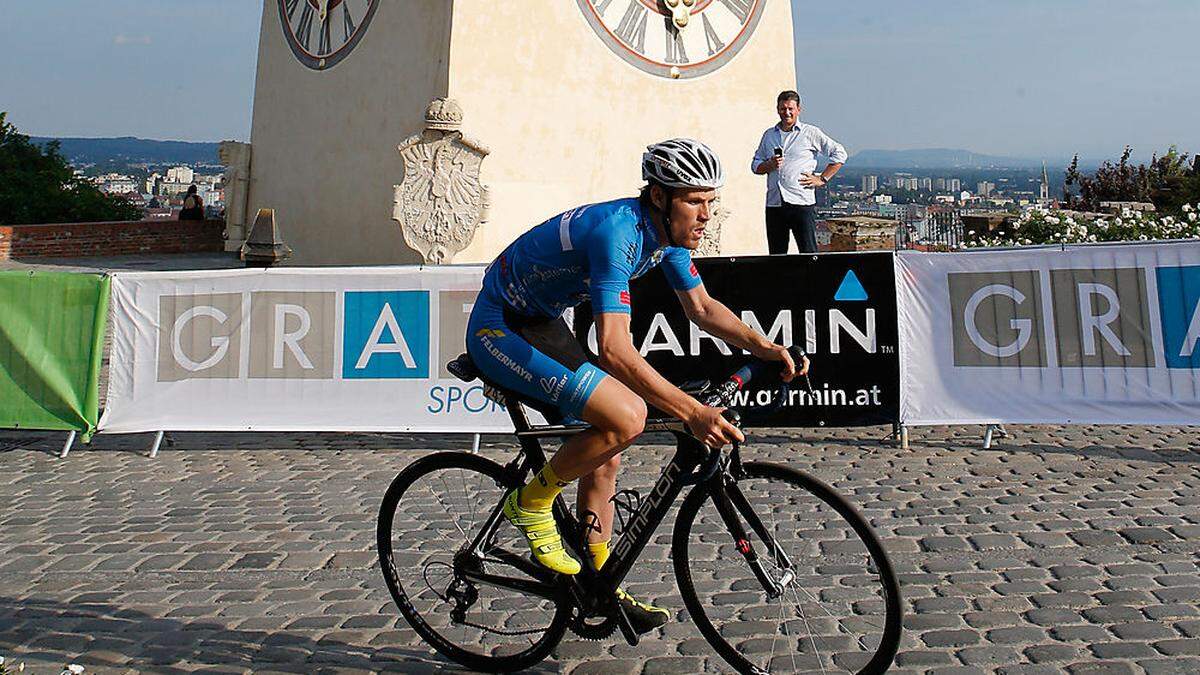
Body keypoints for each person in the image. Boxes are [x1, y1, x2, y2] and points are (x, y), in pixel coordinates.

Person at [466, 138, 810, 633]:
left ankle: (598, 580)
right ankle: (532, 501)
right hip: (498, 325)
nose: (705, 213)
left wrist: (765, 349)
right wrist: (692, 412)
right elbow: (614, 349)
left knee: (609, 449)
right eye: (693, 200)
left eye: (710, 201)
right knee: (628, 415)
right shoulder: (618, 233)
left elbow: (703, 308)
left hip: (540, 321)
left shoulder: (667, 238)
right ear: (659, 198)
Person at [752, 90, 848, 254]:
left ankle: (812, 280)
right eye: (783, 109)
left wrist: (822, 179)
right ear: (777, 109)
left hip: (801, 202)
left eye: (790, 108)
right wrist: (769, 165)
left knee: (808, 252)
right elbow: (755, 165)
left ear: (798, 110)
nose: (787, 113)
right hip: (775, 203)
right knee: (776, 254)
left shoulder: (810, 133)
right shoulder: (769, 135)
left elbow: (839, 153)